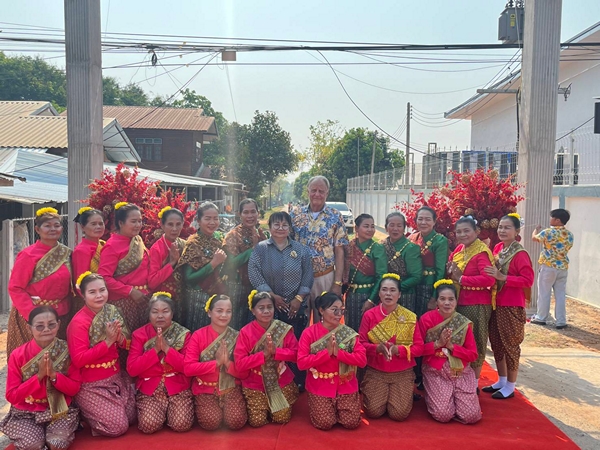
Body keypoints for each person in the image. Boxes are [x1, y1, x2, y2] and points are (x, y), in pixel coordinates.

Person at [0, 306, 80, 450]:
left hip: (60, 410)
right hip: (26, 413)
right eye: (39, 326)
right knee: (34, 446)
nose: (46, 329)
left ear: (59, 324)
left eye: (51, 324)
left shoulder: (67, 351)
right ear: (29, 327)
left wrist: (54, 375)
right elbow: (12, 396)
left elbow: (74, 388)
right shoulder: (18, 355)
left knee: (57, 444)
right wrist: (39, 376)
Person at [67, 272, 135, 437]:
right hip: (92, 383)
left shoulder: (112, 311)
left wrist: (119, 338)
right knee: (117, 427)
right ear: (83, 295)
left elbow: (128, 343)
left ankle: (102, 413)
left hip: (115, 377)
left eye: (102, 290)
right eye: (92, 292)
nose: (99, 296)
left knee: (133, 417)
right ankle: (83, 412)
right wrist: (108, 342)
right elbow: (78, 360)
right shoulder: (79, 322)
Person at [7, 207, 72, 358]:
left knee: (60, 359)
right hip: (33, 316)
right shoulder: (28, 255)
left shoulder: (66, 253)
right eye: (47, 226)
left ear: (62, 228)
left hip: (61, 316)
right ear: (37, 229)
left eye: (56, 225)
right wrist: (33, 316)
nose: (53, 229)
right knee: (32, 360)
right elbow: (15, 288)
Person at [359, 274, 423, 422]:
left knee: (399, 414)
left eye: (393, 290)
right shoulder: (369, 315)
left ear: (399, 294)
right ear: (379, 293)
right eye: (384, 290)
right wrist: (376, 349)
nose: (388, 294)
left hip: (402, 372)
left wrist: (399, 350)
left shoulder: (410, 317)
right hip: (377, 371)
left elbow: (419, 348)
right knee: (373, 412)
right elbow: (360, 344)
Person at [483, 214, 534, 399]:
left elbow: (528, 280)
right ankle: (502, 380)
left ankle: (511, 386)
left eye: (507, 227)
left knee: (510, 345)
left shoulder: (520, 254)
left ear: (517, 231)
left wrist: (503, 277)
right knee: (496, 343)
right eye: (500, 227)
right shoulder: (498, 248)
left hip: (511, 304)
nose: (502, 231)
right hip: (495, 302)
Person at [297, 292, 365, 430]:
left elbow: (362, 360)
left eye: (341, 310)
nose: (339, 314)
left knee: (351, 423)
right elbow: (301, 363)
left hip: (345, 384)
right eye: (334, 310)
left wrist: (339, 353)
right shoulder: (309, 333)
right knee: (325, 423)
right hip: (320, 385)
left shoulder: (348, 333)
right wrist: (326, 353)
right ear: (321, 310)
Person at [127, 292, 193, 433]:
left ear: (172, 313)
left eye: (165, 311)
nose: (160, 316)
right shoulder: (139, 335)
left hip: (177, 387)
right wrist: (156, 349)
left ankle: (170, 413)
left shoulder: (183, 334)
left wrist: (167, 349)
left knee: (181, 424)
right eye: (155, 312)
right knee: (149, 425)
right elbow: (132, 369)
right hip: (150, 388)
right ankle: (162, 413)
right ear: (149, 314)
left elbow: (188, 367)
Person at [418, 280, 481, 424]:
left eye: (451, 299)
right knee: (443, 415)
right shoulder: (426, 319)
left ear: (456, 301)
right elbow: (418, 350)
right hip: (436, 370)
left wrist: (452, 347)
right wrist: (438, 344)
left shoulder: (463, 322)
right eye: (442, 299)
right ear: (436, 301)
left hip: (459, 370)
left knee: (471, 416)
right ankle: (438, 396)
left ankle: (455, 398)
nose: (447, 303)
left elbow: (473, 355)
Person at [234, 291, 299, 427]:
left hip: (279, 381)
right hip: (255, 382)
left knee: (282, 418)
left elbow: (297, 355)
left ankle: (274, 406)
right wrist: (262, 355)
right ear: (253, 311)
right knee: (257, 421)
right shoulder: (245, 332)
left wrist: (276, 352)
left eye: (269, 307)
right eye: (261, 308)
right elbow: (239, 364)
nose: (266, 311)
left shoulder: (283, 329)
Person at [184, 295, 248, 431]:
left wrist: (227, 363)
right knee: (211, 422)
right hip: (205, 388)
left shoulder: (237, 336)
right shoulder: (198, 335)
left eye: (228, 311)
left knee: (236, 421)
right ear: (209, 312)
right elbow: (188, 369)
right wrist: (217, 363)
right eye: (219, 311)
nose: (224, 315)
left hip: (230, 387)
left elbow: (244, 373)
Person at [290, 176, 348, 322]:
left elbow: (339, 250)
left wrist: (337, 283)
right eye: (314, 190)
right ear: (308, 191)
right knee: (299, 320)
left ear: (327, 193)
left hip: (325, 277)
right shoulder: (295, 215)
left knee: (324, 322)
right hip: (299, 278)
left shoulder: (335, 216)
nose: (317, 194)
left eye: (321, 191)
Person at [448, 215, 496, 382]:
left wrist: (462, 279)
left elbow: (489, 279)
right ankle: (460, 379)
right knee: (459, 340)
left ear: (476, 231)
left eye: (466, 231)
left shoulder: (481, 252)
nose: (462, 234)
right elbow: (452, 268)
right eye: (459, 231)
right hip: (459, 301)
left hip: (477, 304)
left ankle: (474, 383)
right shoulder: (460, 249)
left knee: (475, 342)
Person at [98, 202, 150, 332]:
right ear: (121, 223)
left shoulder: (137, 240)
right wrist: (130, 291)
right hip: (123, 303)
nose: (138, 225)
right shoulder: (112, 246)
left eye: (140, 221)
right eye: (133, 221)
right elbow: (104, 278)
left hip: (144, 301)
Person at [177, 202, 227, 331]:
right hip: (198, 296)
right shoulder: (193, 243)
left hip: (217, 296)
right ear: (198, 220)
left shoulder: (219, 239)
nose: (212, 222)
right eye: (207, 218)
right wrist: (213, 263)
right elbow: (189, 278)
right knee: (199, 334)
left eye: (215, 218)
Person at [224, 199, 268, 330]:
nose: (250, 216)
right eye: (246, 212)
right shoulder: (233, 235)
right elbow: (231, 263)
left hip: (257, 286)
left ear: (258, 213)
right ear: (239, 214)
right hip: (237, 287)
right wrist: (252, 249)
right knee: (236, 324)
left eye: (253, 212)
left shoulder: (261, 234)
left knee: (255, 325)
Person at [530, 208, 574, 329]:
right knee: (560, 295)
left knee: (544, 293)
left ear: (557, 220)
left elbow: (534, 238)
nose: (550, 219)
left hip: (548, 266)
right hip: (563, 267)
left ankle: (541, 317)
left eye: (552, 217)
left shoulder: (548, 232)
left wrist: (536, 229)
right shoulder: (569, 234)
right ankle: (561, 321)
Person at [343, 214, 387, 332]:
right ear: (356, 228)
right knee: (350, 329)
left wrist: (371, 300)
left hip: (369, 295)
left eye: (372, 226)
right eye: (366, 226)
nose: (370, 229)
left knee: (367, 330)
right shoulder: (349, 247)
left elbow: (381, 277)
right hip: (351, 296)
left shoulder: (377, 248)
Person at [408, 206, 449, 317]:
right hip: (411, 286)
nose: (423, 222)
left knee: (424, 319)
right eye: (420, 219)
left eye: (427, 219)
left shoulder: (440, 241)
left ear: (434, 221)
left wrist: (434, 297)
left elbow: (441, 271)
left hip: (429, 287)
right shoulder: (412, 238)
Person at [148, 207, 186, 321]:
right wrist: (172, 263)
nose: (174, 229)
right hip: (163, 303)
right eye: (170, 224)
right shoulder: (157, 249)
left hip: (183, 300)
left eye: (178, 224)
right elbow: (152, 282)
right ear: (162, 225)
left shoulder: (184, 244)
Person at [383, 212, 423, 312]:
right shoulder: (381, 246)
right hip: (384, 295)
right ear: (386, 228)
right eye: (392, 225)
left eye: (399, 225)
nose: (395, 229)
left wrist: (396, 289)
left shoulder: (411, 248)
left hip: (405, 295)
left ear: (404, 228)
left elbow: (416, 277)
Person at [72, 206, 106, 313]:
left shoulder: (104, 245)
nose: (98, 227)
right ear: (83, 227)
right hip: (91, 302)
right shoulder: (82, 250)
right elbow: (80, 282)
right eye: (93, 224)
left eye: (100, 224)